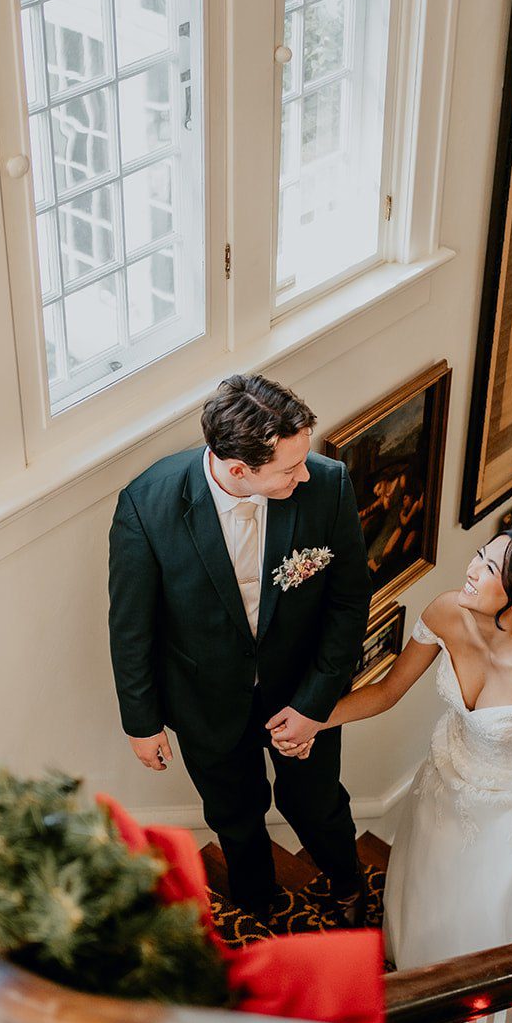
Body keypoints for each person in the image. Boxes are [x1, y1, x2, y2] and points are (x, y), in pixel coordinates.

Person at [278, 528, 512, 967]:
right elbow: (387, 692)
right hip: (447, 780)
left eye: (490, 568)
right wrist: (314, 723)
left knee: (500, 912)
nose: (472, 570)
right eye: (480, 556)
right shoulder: (445, 612)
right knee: (436, 887)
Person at [108, 373, 372, 924]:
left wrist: (314, 704)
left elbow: (348, 605)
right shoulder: (145, 506)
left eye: (304, 460)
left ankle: (349, 882)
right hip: (204, 700)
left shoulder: (329, 486)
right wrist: (142, 722)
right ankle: (256, 906)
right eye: (289, 469)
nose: (306, 474)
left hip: (300, 689)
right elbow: (132, 626)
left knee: (316, 803)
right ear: (237, 470)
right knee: (235, 814)